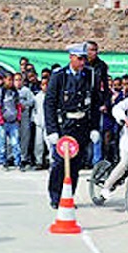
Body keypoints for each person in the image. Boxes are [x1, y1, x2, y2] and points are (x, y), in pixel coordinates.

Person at [44, 42, 101, 209]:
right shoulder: (59, 76)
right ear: (71, 58)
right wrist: (52, 129)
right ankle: (55, 196)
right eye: (79, 59)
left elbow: (95, 104)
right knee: (60, 164)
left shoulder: (90, 76)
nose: (83, 62)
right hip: (64, 126)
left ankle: (68, 196)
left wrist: (94, 127)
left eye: (84, 59)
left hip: (81, 126)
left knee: (76, 165)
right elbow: (50, 103)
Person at [0, 72, 23, 171]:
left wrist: (18, 117)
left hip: (13, 121)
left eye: (12, 80)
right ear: (4, 80)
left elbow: (18, 106)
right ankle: (3, 162)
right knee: (2, 143)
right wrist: (0, 119)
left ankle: (18, 162)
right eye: (9, 80)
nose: (10, 82)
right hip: (3, 122)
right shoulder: (1, 92)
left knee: (15, 143)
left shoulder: (15, 92)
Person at [14, 72, 35, 168]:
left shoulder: (26, 91)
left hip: (24, 116)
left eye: (19, 80)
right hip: (13, 118)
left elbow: (32, 101)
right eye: (16, 80)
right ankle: (13, 156)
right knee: (13, 138)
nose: (17, 82)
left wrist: (24, 105)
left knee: (24, 137)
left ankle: (23, 157)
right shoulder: (11, 91)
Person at [32, 76, 49, 169]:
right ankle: (38, 161)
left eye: (47, 84)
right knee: (38, 144)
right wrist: (35, 120)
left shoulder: (53, 95)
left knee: (50, 143)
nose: (45, 86)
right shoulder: (37, 97)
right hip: (39, 123)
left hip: (49, 123)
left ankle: (51, 161)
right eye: (43, 84)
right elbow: (34, 110)